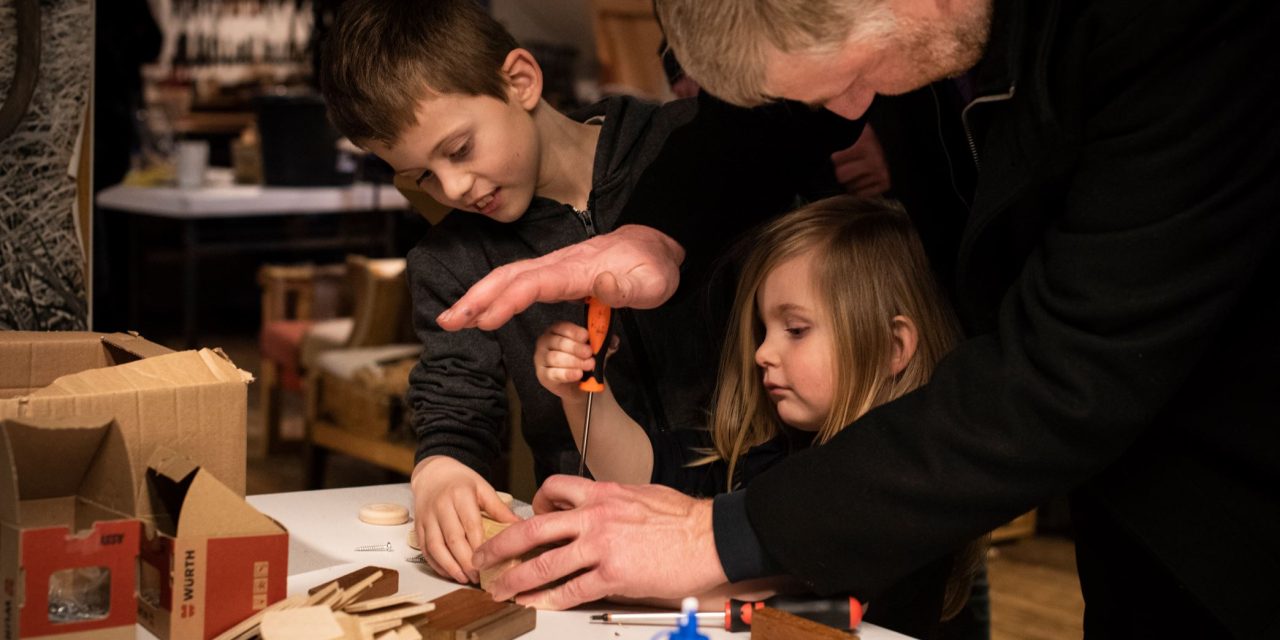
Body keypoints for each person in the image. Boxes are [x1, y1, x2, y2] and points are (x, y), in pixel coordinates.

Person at [451, 0, 1280, 635]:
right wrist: (656, 234)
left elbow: (1070, 372)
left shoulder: (1175, 30)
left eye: (855, 76)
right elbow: (768, 118)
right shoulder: (886, 34)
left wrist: (722, 540)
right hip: (1132, 507)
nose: (852, 113)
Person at [318, 0, 862, 588]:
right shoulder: (451, 258)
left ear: (520, 80)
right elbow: (456, 397)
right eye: (421, 175)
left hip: (779, 527)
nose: (452, 188)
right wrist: (442, 467)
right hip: (604, 552)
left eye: (458, 150)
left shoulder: (692, 151)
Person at [537, 196, 985, 637]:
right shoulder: (770, 453)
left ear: (893, 346)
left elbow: (793, 605)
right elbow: (645, 470)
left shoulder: (904, 491)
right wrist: (581, 397)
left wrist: (627, 575)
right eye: (764, 331)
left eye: (796, 330)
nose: (762, 353)